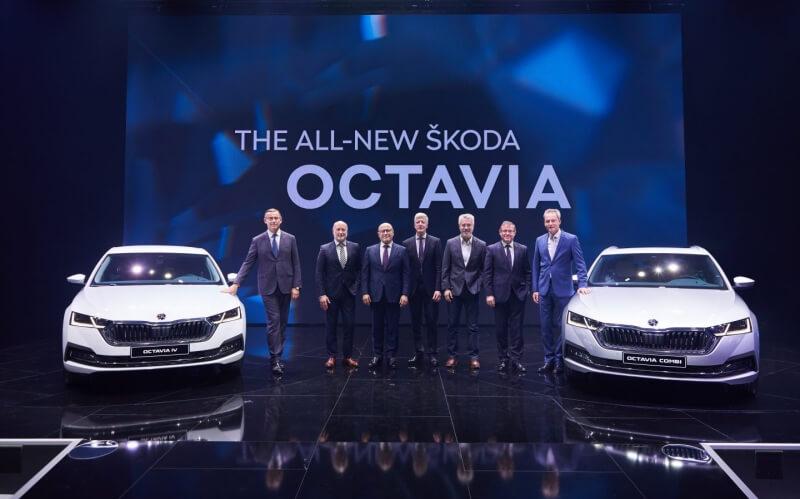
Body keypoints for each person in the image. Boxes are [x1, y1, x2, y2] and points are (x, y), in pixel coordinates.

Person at [226, 208, 301, 375]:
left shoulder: (290, 239)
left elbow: (296, 263)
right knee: (274, 322)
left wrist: (296, 286)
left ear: (281, 220)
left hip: (286, 286)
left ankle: (278, 354)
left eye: (276, 218)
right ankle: (275, 359)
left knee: (282, 323)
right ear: (265, 221)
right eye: (270, 218)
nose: (273, 220)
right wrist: (237, 283)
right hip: (267, 287)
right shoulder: (257, 240)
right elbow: (248, 263)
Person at [531, 208, 589, 374]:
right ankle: (548, 360)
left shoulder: (571, 239)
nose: (550, 224)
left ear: (559, 221)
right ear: (544, 223)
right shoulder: (540, 240)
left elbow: (580, 263)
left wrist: (583, 284)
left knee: (561, 326)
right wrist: (535, 288)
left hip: (563, 289)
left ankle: (559, 360)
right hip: (544, 289)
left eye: (553, 220)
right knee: (545, 326)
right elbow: (536, 266)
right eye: (547, 221)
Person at [484, 221, 531, 373]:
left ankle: (516, 360)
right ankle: (503, 359)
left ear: (515, 232)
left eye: (510, 231)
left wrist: (526, 289)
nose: (507, 233)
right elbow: (487, 274)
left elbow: (527, 272)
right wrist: (489, 294)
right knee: (501, 330)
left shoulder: (523, 249)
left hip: (518, 295)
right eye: (504, 231)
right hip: (499, 296)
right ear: (500, 232)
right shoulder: (491, 249)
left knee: (517, 330)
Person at [361, 222, 410, 369]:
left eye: (388, 230)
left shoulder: (402, 250)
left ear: (393, 233)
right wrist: (365, 292)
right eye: (382, 231)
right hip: (375, 295)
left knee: (393, 328)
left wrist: (405, 293)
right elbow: (365, 273)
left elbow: (406, 274)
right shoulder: (370, 250)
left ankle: (391, 356)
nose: (385, 233)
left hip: (395, 295)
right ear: (378, 234)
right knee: (376, 328)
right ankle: (377, 355)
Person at [441, 214, 486, 370]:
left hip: (472, 290)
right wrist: (446, 288)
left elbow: (484, 270)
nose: (466, 227)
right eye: (463, 225)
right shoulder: (450, 243)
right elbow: (445, 268)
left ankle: (474, 357)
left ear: (473, 225)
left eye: (469, 225)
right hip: (454, 290)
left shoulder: (481, 244)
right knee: (452, 325)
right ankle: (452, 356)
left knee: (473, 326)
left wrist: (479, 284)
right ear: (459, 226)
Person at [315, 221, 361, 369]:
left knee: (349, 326)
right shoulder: (324, 249)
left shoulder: (355, 247)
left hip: (349, 294)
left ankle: (347, 357)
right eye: (338, 230)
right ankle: (331, 356)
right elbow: (319, 273)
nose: (341, 232)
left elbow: (359, 269)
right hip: (331, 295)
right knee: (331, 326)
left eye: (343, 230)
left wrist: (356, 286)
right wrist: (322, 294)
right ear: (333, 231)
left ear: (347, 231)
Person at [402, 213, 443, 368]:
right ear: (414, 225)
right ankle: (418, 352)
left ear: (427, 224)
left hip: (431, 290)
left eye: (422, 222)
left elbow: (439, 267)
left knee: (431, 322)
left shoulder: (435, 242)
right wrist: (405, 292)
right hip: (414, 290)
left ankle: (432, 354)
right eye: (417, 222)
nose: (420, 224)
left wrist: (438, 288)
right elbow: (406, 270)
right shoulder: (406, 243)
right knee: (416, 323)